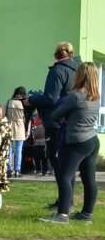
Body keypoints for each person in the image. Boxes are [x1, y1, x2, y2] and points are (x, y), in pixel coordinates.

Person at [39, 63, 100, 224]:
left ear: (80, 75)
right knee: (89, 179)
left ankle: (62, 215)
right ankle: (86, 215)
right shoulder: (96, 97)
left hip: (75, 141)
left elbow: (55, 115)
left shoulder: (75, 96)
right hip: (92, 140)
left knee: (65, 176)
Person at [28, 42, 81, 187]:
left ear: (56, 55)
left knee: (56, 159)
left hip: (56, 120)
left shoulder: (57, 71)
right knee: (67, 162)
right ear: (71, 54)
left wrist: (32, 99)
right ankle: (66, 197)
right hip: (73, 120)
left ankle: (64, 198)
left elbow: (51, 98)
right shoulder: (78, 71)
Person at [6, 87, 27, 177]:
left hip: (9, 125)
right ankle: (17, 170)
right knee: (19, 150)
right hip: (20, 126)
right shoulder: (24, 103)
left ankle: (9, 169)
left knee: (9, 149)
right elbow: (26, 117)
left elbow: (5, 114)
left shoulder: (9, 102)